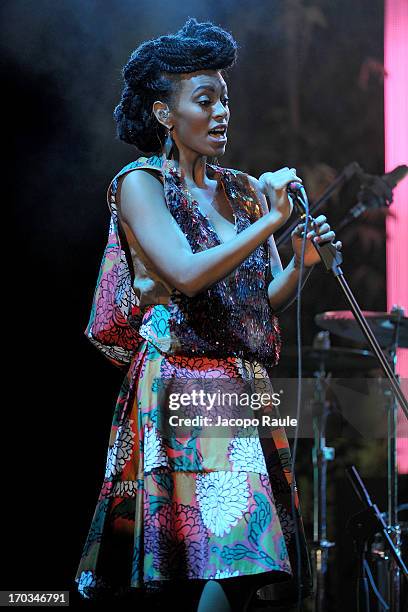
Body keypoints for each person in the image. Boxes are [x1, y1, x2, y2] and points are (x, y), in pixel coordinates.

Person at [74, 17, 342, 611]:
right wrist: (274, 224)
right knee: (210, 563)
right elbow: (188, 275)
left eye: (225, 98)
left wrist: (301, 260)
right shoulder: (140, 185)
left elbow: (261, 301)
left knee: (246, 567)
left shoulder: (244, 190)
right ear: (166, 114)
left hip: (242, 388)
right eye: (205, 99)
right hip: (180, 385)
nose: (222, 112)